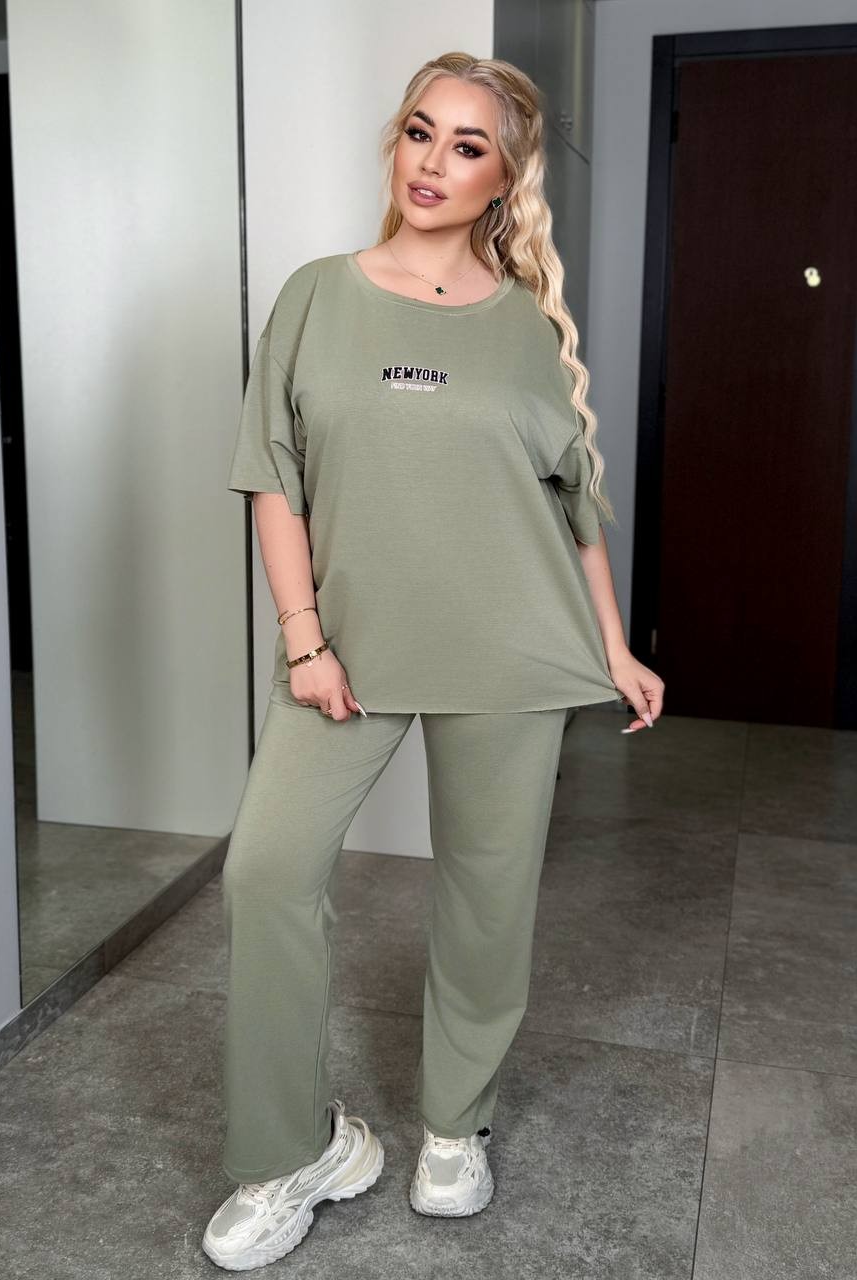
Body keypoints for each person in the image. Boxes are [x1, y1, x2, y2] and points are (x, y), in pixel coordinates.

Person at [202, 51, 664, 1272]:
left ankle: (456, 1124)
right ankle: (293, 1148)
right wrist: (303, 638)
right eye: (421, 130)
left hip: (512, 649)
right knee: (266, 871)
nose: (434, 161)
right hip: (345, 653)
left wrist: (613, 643)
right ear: (395, 143)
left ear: (504, 179)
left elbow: (572, 504)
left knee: (487, 893)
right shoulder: (316, 295)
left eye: (469, 145)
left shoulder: (527, 329)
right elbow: (273, 475)